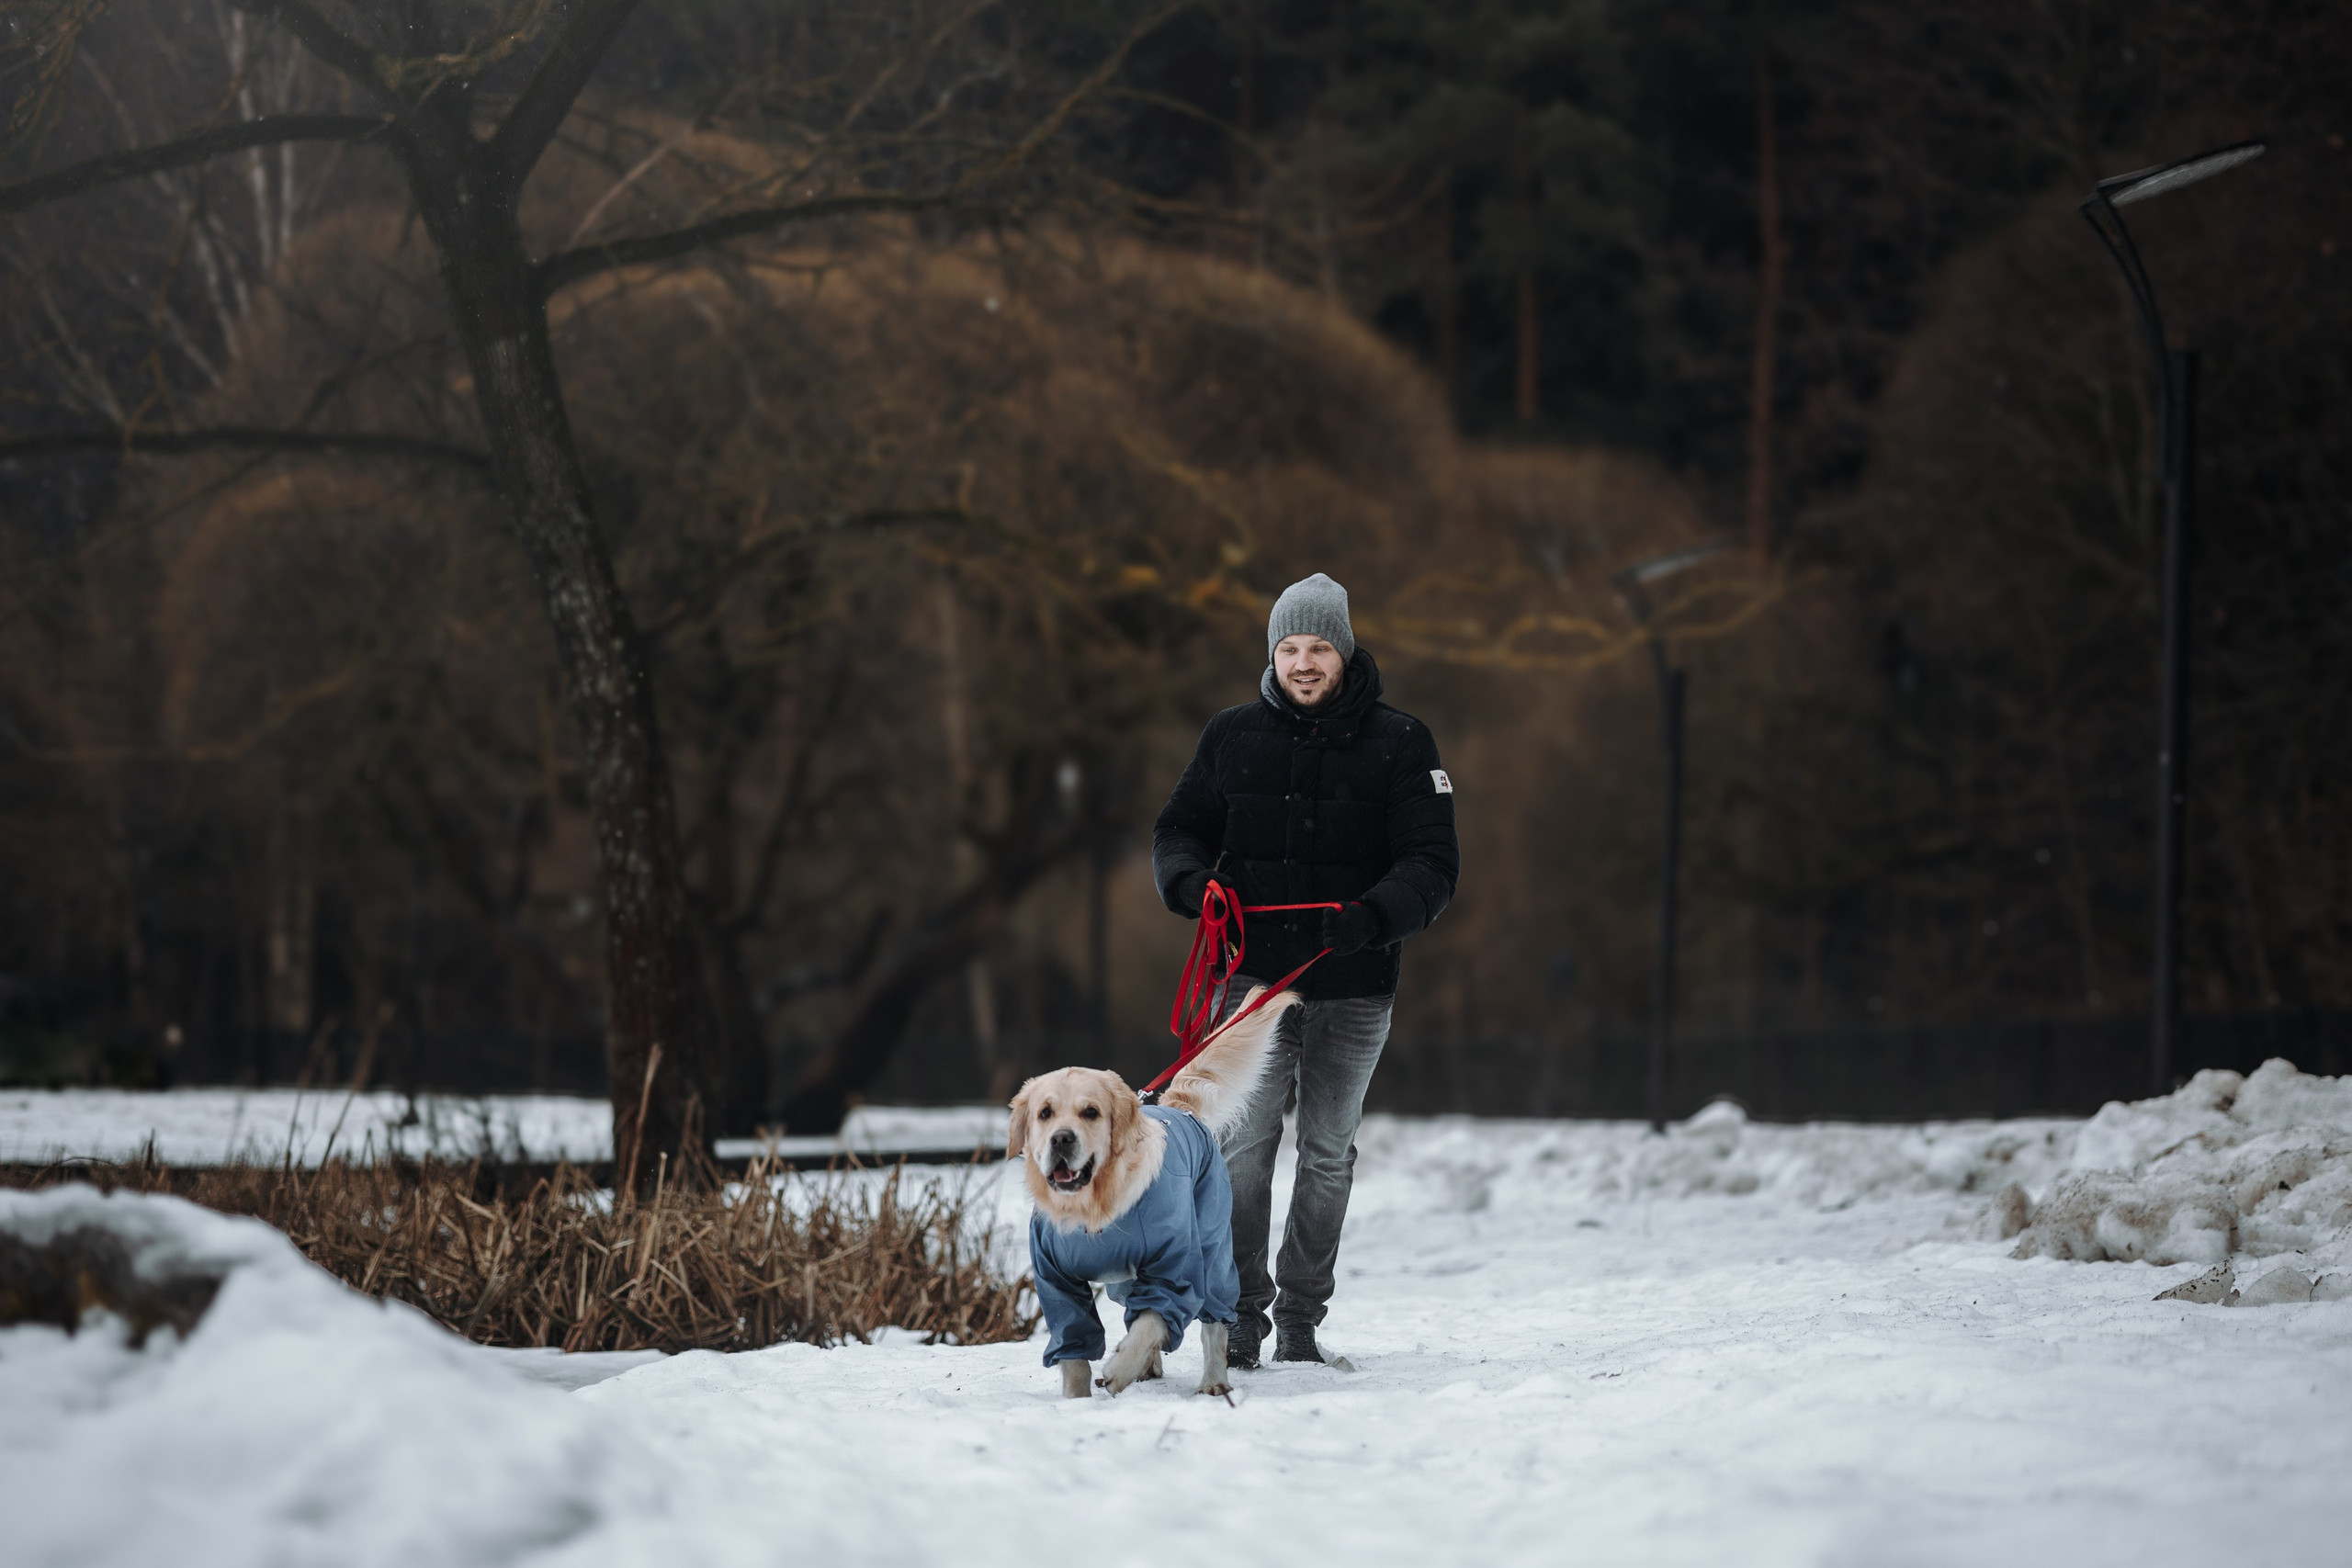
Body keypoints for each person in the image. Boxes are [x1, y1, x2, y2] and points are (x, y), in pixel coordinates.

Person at [1150, 571, 1459, 1369]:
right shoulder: (1229, 735)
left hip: (1355, 985)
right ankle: (1240, 1314)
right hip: (1247, 985)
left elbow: (1432, 863)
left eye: (1319, 646)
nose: (1304, 662)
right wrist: (1189, 883)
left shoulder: (1403, 741)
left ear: (1344, 651)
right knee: (1243, 1148)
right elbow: (1178, 830)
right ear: (1273, 654)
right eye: (1289, 647)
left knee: (1326, 1152)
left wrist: (1373, 914)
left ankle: (1299, 1317)